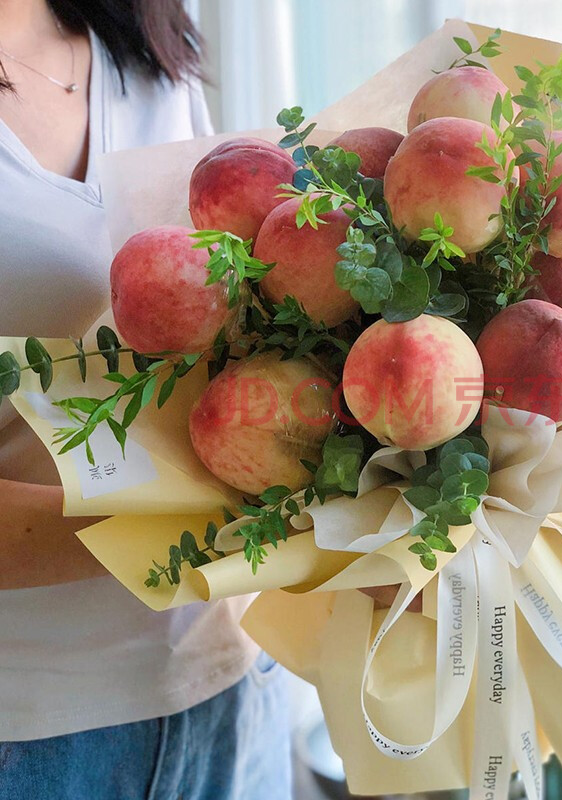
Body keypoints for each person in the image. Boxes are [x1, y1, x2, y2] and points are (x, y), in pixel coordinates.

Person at [0, 2, 290, 797]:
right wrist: (227, 522)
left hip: (228, 683)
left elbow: (225, 317)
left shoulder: (140, 37)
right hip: (33, 735)